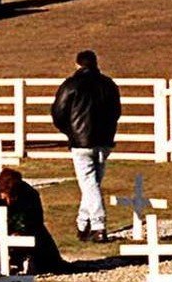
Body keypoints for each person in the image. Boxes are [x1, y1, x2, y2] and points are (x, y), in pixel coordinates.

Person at [51, 49, 122, 243]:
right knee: (93, 184)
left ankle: (98, 225)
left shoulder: (71, 85)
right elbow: (116, 111)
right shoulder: (108, 85)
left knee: (89, 184)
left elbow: (58, 113)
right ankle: (83, 224)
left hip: (81, 143)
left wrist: (70, 132)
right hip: (104, 140)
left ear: (77, 64)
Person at [0, 167, 66, 273]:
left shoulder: (30, 195)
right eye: (5, 198)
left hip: (25, 234)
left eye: (12, 198)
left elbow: (36, 221)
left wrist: (20, 231)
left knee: (49, 260)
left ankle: (28, 259)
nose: (8, 202)